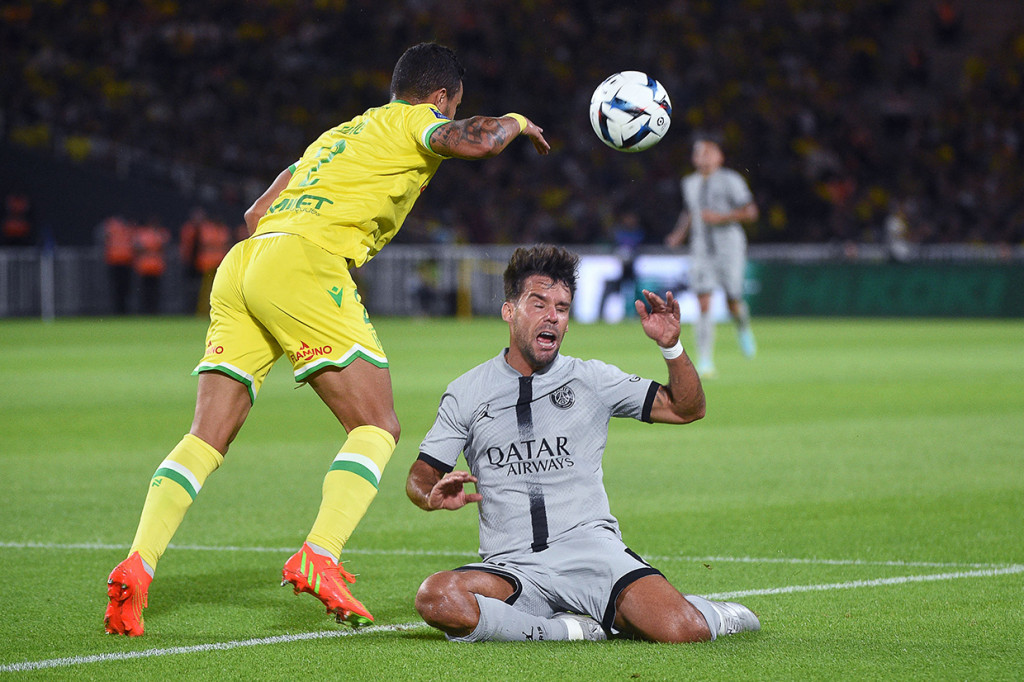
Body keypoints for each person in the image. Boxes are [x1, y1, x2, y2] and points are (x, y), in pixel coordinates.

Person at [103, 42, 550, 637]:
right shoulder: (415, 119)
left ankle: (138, 563)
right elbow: (478, 140)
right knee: (377, 426)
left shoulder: (337, 135)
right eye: (449, 107)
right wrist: (516, 122)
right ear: (440, 97)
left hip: (243, 264)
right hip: (303, 260)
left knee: (205, 437)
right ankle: (320, 554)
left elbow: (255, 213)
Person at [406, 245, 760, 643]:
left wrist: (671, 347)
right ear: (509, 311)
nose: (552, 316)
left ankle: (714, 612)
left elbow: (686, 408)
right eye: (538, 303)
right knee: (436, 597)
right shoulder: (467, 391)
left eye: (562, 307)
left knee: (684, 630)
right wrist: (430, 495)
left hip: (590, 554)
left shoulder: (591, 380)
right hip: (512, 566)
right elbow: (421, 475)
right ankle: (573, 629)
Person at [665, 137, 759, 377]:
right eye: (699, 153)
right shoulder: (690, 183)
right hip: (701, 249)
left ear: (720, 156)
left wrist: (722, 217)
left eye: (708, 152)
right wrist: (678, 234)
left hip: (729, 247)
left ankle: (742, 327)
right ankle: (705, 359)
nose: (703, 157)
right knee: (703, 301)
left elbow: (751, 212)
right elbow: (690, 212)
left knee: (733, 299)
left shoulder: (731, 180)